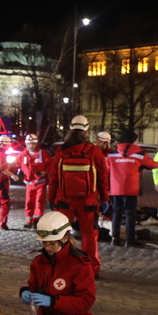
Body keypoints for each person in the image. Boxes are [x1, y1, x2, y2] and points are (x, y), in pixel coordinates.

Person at [20, 211, 96, 315]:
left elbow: (85, 301)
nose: (47, 247)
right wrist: (26, 292)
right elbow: (34, 286)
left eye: (52, 243)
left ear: (65, 238)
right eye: (44, 243)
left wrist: (53, 301)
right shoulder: (39, 262)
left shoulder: (79, 264)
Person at [48, 115, 109, 278]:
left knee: (61, 234)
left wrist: (50, 199)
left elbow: (53, 178)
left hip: (64, 201)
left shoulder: (61, 152)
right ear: (87, 129)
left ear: (71, 128)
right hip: (88, 201)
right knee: (90, 236)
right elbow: (103, 178)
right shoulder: (94, 151)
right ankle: (91, 269)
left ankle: (62, 265)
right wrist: (105, 199)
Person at [107, 131, 158, 247]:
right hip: (130, 190)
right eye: (137, 141)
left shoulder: (112, 154)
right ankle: (129, 240)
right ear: (134, 141)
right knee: (130, 214)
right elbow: (152, 164)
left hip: (115, 189)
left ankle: (114, 239)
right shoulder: (139, 153)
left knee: (116, 213)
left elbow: (106, 169)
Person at [19, 134, 50, 229]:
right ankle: (29, 220)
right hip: (29, 183)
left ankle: (37, 220)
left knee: (39, 201)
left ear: (36, 144)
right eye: (29, 143)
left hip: (40, 182)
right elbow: (16, 164)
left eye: (33, 143)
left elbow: (49, 164)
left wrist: (45, 171)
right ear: (26, 144)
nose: (31, 145)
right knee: (29, 201)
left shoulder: (43, 153)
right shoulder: (23, 154)